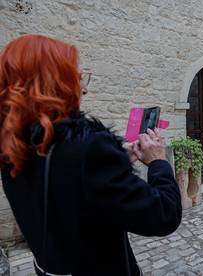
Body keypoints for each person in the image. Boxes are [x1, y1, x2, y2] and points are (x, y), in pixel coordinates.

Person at [0, 34, 182, 275]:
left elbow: (66, 191)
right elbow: (164, 214)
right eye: (76, 77)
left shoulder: (11, 145)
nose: (83, 89)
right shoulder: (89, 150)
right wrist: (158, 161)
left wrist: (117, 159)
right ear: (55, 83)